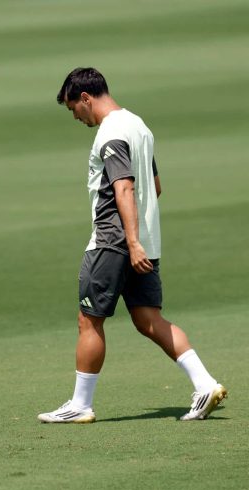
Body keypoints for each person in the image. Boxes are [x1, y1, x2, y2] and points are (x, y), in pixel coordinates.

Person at [38, 67, 227, 424]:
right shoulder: (139, 126)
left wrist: (131, 241)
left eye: (73, 108)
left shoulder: (110, 133)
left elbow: (124, 186)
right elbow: (155, 187)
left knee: (89, 320)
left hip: (114, 241)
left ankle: (81, 404)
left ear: (85, 98)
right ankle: (205, 384)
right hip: (143, 240)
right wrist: (140, 241)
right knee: (148, 319)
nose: (75, 117)